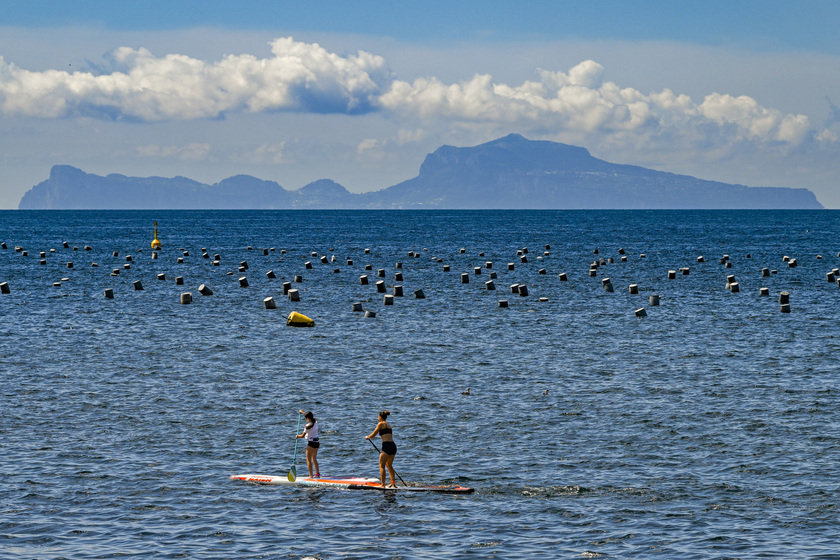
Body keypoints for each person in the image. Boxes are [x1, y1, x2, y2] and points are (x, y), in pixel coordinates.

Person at [365, 410, 397, 488]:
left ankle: (383, 485)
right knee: (389, 465)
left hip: (386, 446)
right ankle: (393, 484)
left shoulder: (380, 424)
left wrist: (368, 437)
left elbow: (374, 434)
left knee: (381, 465)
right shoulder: (389, 425)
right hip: (393, 446)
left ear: (380, 417)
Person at [295, 409, 320, 478]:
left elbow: (302, 436)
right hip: (317, 443)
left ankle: (310, 475)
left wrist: (297, 436)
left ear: (308, 418)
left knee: (308, 459)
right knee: (314, 459)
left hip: (311, 444)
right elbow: (309, 417)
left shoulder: (307, 426)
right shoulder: (315, 422)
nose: (305, 419)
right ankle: (317, 474)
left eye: (305, 418)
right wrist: (302, 412)